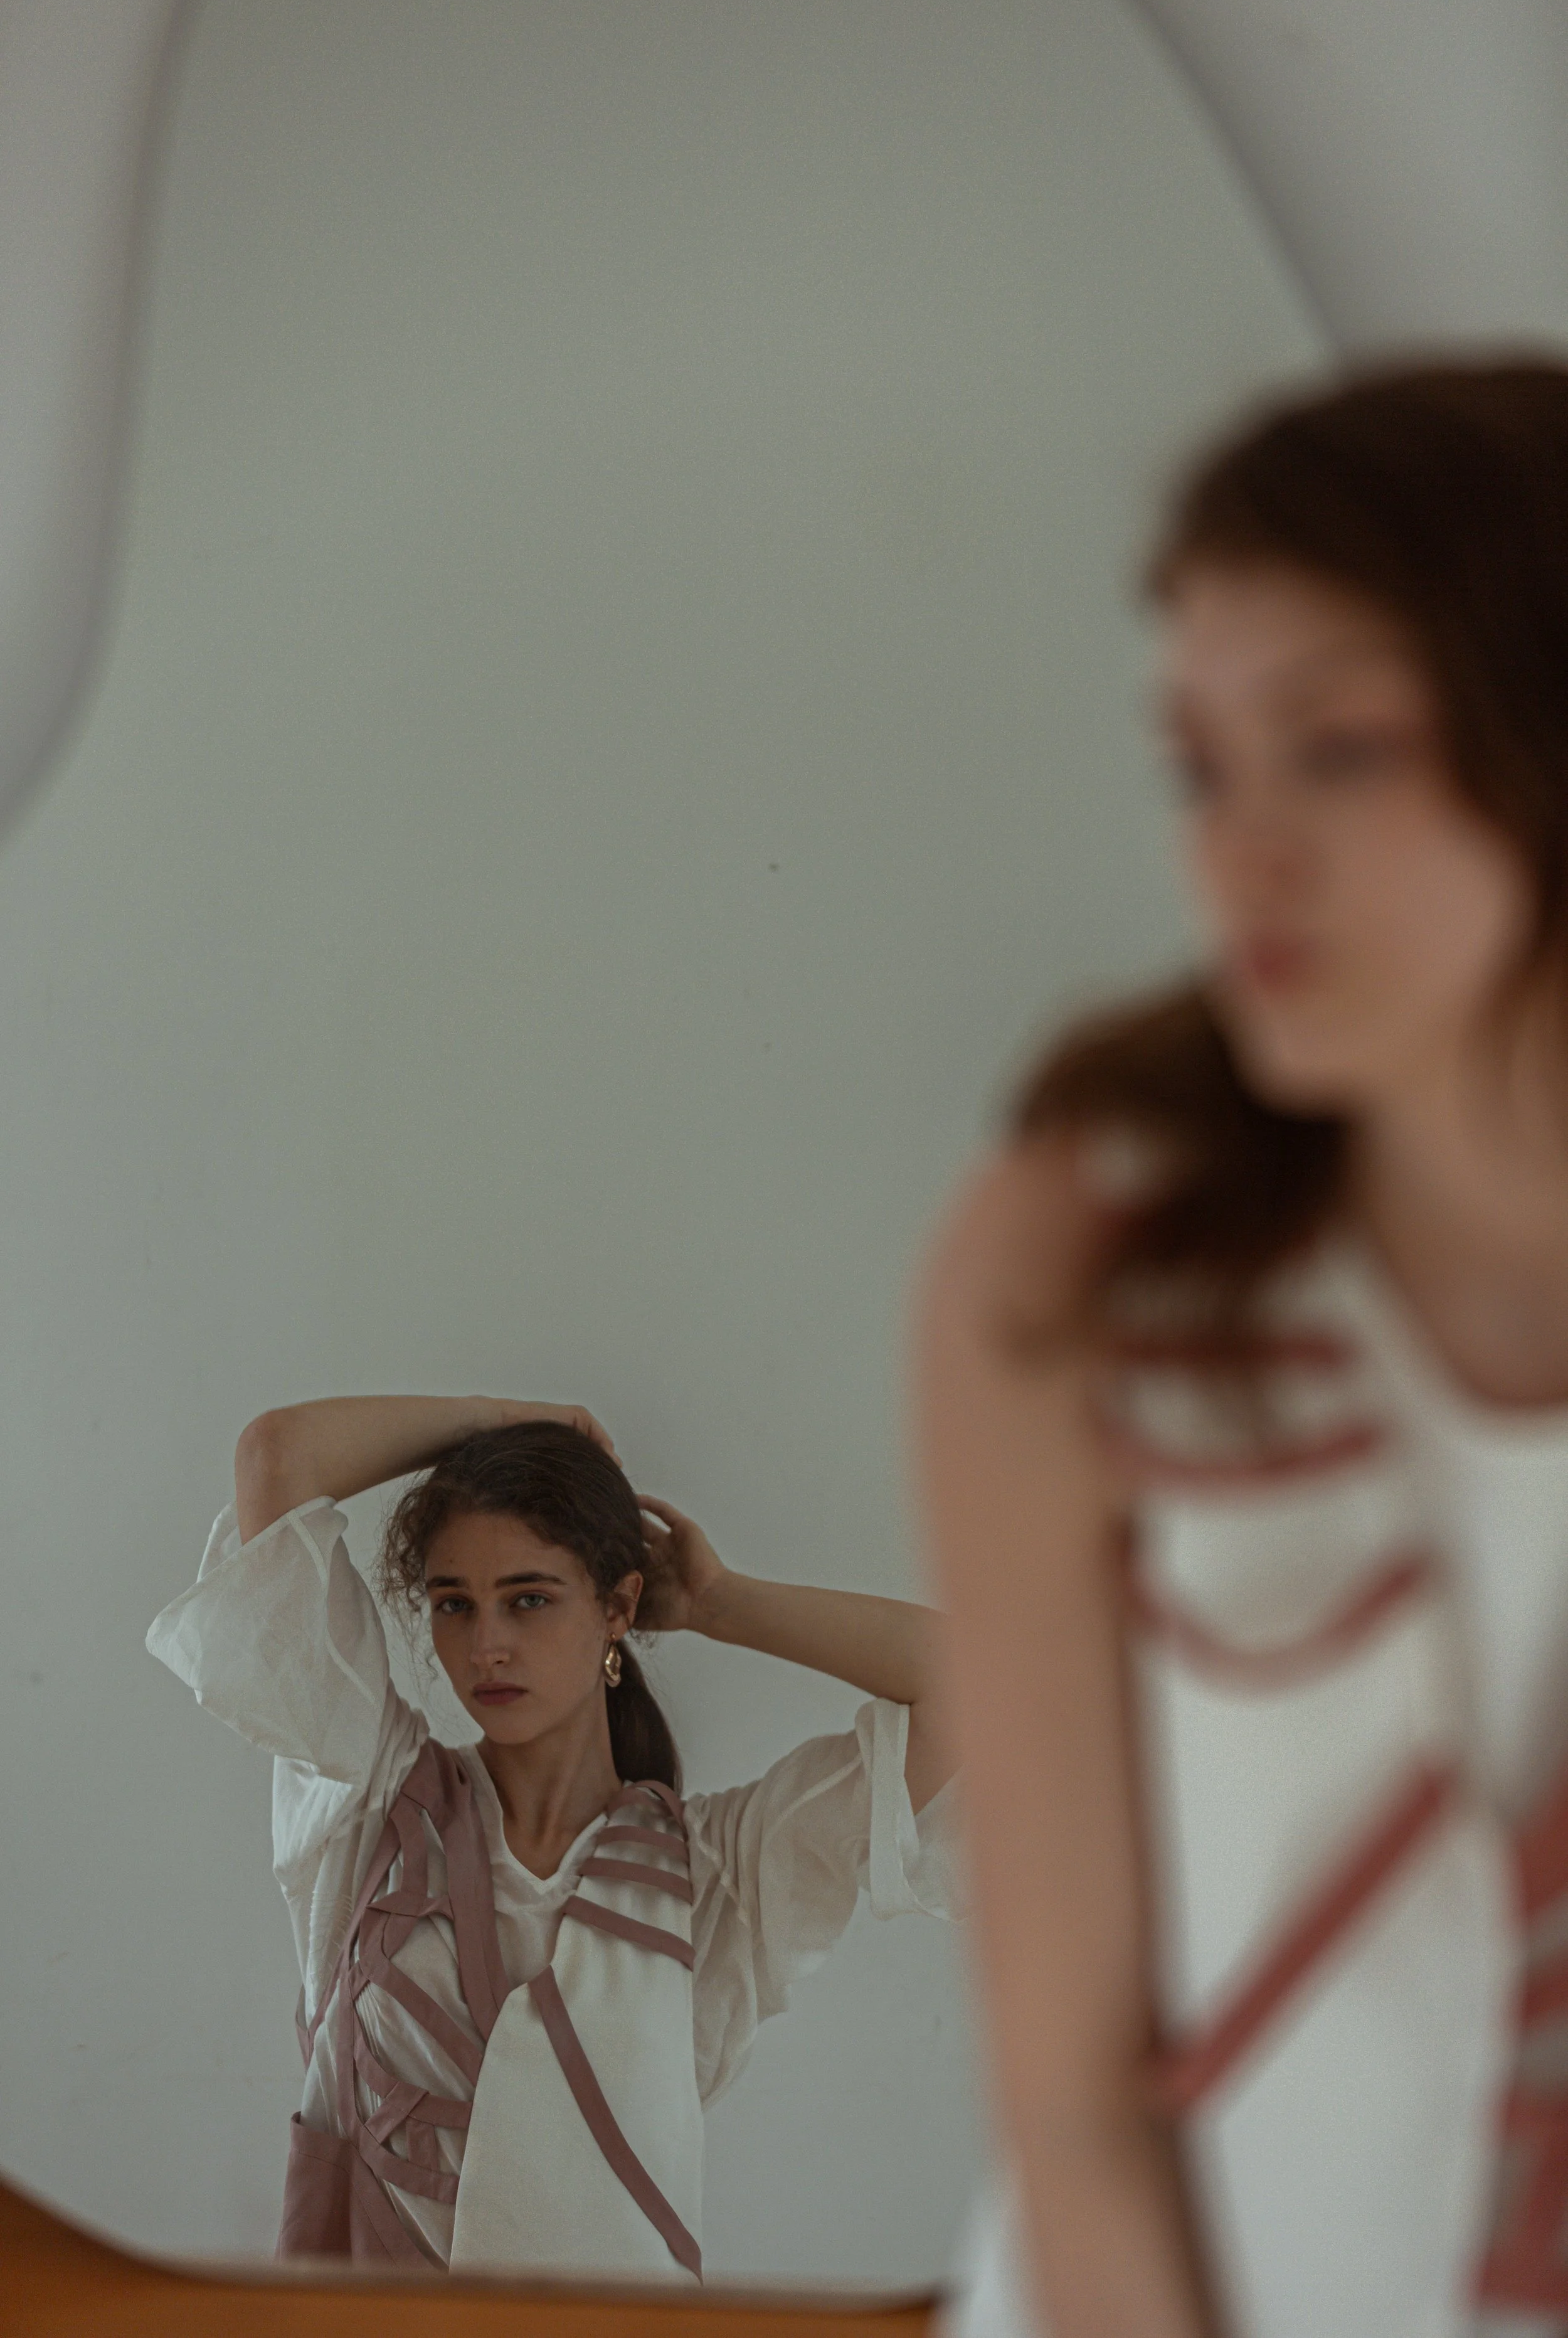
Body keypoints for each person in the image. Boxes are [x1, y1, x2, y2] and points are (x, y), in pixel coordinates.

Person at [916, 356, 1568, 2338]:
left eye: (1335, 750)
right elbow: (1069, 2097)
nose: (1237, 850)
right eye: (1200, 767)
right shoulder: (1072, 1268)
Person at [147, 1396, 957, 2278]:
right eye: (454, 1604)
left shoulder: (716, 1873)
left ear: (618, 1609)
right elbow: (276, 1457)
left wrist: (721, 1602)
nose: (486, 1644)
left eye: (528, 1598)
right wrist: (510, 1421)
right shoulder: (371, 1795)